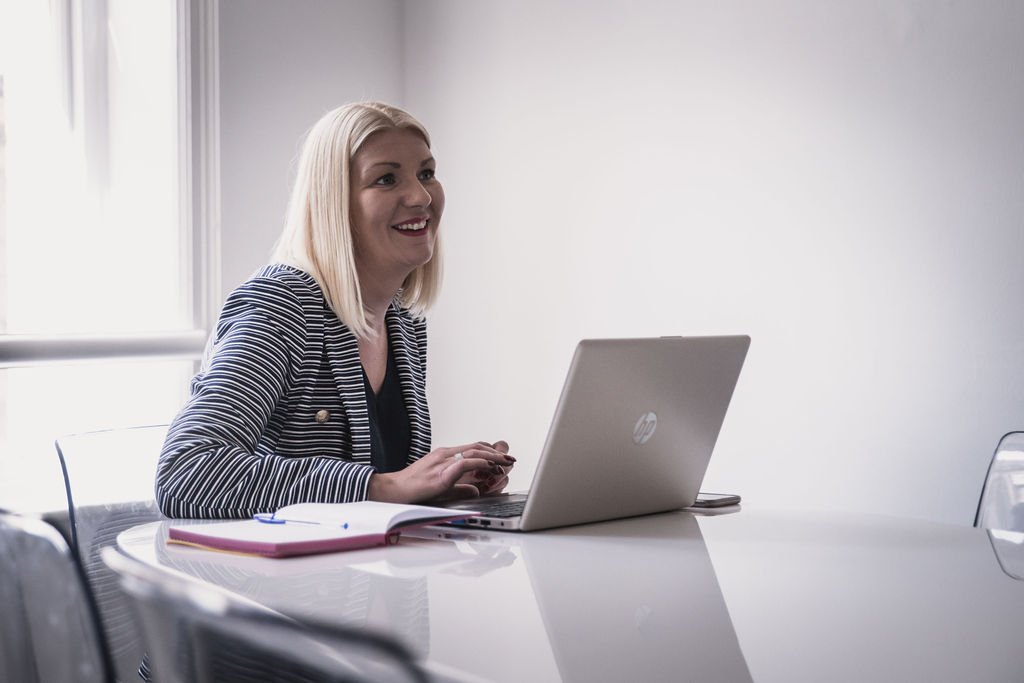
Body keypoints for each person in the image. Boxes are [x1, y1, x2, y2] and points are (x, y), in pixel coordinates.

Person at [155, 101, 514, 519]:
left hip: (373, 578)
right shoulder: (280, 306)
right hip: (279, 584)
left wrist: (439, 485)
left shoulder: (404, 322)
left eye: (427, 174)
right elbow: (185, 473)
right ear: (334, 203)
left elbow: (378, 502)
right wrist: (386, 486)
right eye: (386, 179)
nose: (419, 196)